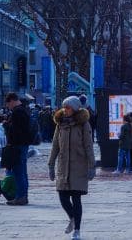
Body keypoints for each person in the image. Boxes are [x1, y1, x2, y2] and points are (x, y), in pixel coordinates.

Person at [48, 95, 95, 240]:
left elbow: (88, 146)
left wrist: (91, 166)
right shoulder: (60, 124)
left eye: (68, 107)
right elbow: (55, 145)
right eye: (64, 107)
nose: (65, 110)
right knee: (62, 197)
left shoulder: (83, 124)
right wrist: (51, 165)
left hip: (78, 167)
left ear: (75, 109)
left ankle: (77, 230)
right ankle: (73, 218)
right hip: (63, 166)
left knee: (76, 198)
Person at [3, 91, 31, 206]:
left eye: (8, 104)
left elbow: (15, 130)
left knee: (18, 172)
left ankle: (20, 196)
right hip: (23, 144)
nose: (8, 107)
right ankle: (23, 196)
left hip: (17, 145)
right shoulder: (24, 110)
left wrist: (6, 125)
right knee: (22, 172)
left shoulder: (17, 112)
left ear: (12, 101)